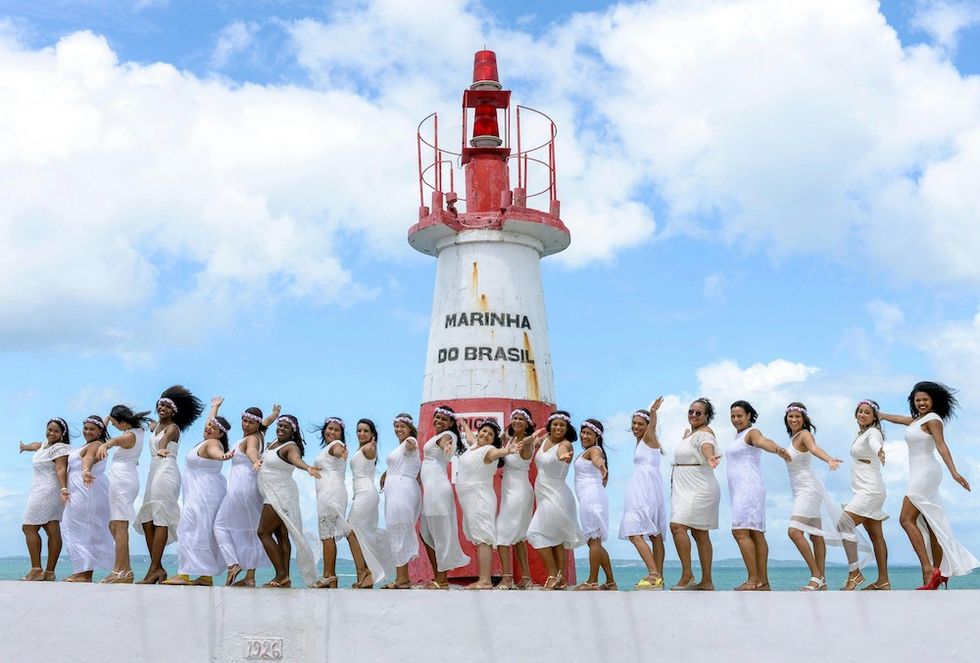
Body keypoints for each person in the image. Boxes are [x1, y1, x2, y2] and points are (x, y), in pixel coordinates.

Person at [879, 382, 979, 589]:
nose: (921, 403)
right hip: (920, 473)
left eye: (925, 399)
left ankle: (928, 568)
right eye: (918, 400)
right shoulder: (918, 421)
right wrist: (879, 414)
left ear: (933, 400)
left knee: (906, 519)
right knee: (931, 524)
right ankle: (938, 571)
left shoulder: (933, 420)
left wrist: (954, 472)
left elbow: (941, 446)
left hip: (926, 473)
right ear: (913, 402)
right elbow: (899, 419)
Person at [783, 402, 871, 591]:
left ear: (804, 419)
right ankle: (821, 580)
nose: (794, 419)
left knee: (794, 532)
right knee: (815, 535)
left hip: (808, 489)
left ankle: (816, 575)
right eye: (790, 416)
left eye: (797, 416)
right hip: (803, 489)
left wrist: (829, 459)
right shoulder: (794, 438)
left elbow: (814, 449)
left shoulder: (805, 434)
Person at [136, 385, 203, 584]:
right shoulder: (156, 426)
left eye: (167, 405)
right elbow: (152, 428)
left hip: (166, 470)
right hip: (154, 472)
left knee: (160, 518)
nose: (162, 407)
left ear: (174, 411)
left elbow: (164, 441)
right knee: (147, 520)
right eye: (160, 404)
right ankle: (157, 567)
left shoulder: (172, 428)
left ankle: (154, 569)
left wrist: (162, 449)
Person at [163, 401, 234, 586]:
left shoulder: (212, 443)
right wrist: (215, 407)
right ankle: (205, 576)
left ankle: (184, 574)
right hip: (204, 492)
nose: (209, 428)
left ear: (220, 434)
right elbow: (210, 423)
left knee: (190, 528)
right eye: (209, 425)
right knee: (202, 530)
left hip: (203, 494)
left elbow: (216, 452)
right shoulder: (208, 437)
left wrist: (223, 456)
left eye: (213, 427)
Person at [726, 400, 791, 591]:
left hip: (748, 488)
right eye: (733, 416)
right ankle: (763, 582)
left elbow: (764, 442)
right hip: (742, 489)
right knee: (755, 533)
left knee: (740, 531)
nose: (736, 419)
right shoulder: (738, 436)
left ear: (748, 416)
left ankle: (753, 579)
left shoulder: (752, 432)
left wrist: (777, 449)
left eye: (739, 415)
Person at [213, 402, 278, 587]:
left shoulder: (251, 440)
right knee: (251, 531)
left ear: (256, 425)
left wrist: (256, 461)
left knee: (219, 525)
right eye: (244, 420)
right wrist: (274, 415)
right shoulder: (260, 434)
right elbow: (265, 423)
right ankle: (250, 576)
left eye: (250, 422)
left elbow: (250, 451)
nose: (246, 424)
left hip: (241, 487)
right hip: (251, 487)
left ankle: (232, 564)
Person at [256, 414, 321, 588]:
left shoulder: (290, 447)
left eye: (286, 427)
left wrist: (308, 467)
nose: (281, 429)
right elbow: (260, 429)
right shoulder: (272, 443)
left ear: (293, 430)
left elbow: (296, 460)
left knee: (263, 532)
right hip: (273, 492)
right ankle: (284, 578)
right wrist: (272, 417)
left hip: (280, 494)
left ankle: (281, 574)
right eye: (280, 425)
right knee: (281, 534)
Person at [457, 418, 519, 589]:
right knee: (478, 537)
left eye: (490, 434)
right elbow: (470, 437)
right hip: (469, 499)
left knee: (483, 537)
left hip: (480, 497)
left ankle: (484, 580)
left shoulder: (489, 450)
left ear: (494, 440)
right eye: (483, 431)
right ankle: (483, 578)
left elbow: (496, 454)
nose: (485, 434)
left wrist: (507, 450)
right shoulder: (473, 446)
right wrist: (464, 423)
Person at [526, 410, 584, 590]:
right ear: (550, 426)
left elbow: (562, 453)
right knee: (556, 537)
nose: (558, 428)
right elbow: (527, 445)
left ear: (567, 429)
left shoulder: (565, 445)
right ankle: (561, 579)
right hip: (543, 494)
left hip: (556, 494)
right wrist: (533, 436)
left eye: (562, 425)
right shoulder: (544, 440)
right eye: (555, 424)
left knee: (534, 532)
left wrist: (563, 457)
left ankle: (552, 575)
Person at [670, 398, 721, 591]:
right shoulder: (689, 434)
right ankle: (706, 581)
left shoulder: (705, 433)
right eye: (691, 412)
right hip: (685, 487)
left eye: (698, 413)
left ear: (707, 416)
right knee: (699, 532)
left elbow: (707, 445)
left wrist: (709, 457)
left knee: (677, 526)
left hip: (699, 486)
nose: (693, 415)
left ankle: (688, 575)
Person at [95, 405, 149, 583]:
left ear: (122, 422)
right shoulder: (138, 430)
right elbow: (109, 433)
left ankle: (119, 571)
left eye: (115, 423)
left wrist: (106, 444)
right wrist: (108, 419)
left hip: (122, 481)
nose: (114, 427)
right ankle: (127, 570)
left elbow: (115, 441)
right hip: (125, 478)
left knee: (119, 525)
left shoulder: (129, 435)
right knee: (115, 526)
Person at [419, 405, 470, 588]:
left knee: (438, 533)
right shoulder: (435, 437)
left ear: (450, 423)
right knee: (425, 533)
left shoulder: (448, 436)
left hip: (437, 490)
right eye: (437, 417)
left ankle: (442, 580)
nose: (439, 421)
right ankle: (439, 576)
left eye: (443, 419)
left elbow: (446, 441)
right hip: (431, 490)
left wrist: (447, 445)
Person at [841, 399, 890, 590]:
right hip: (867, 489)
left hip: (870, 491)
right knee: (875, 534)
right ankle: (883, 581)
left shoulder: (873, 433)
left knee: (843, 523)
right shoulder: (861, 434)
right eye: (860, 411)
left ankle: (855, 573)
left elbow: (875, 442)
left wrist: (880, 450)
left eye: (867, 412)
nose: (862, 415)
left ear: (874, 417)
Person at [619, 399, 668, 590]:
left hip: (644, 490)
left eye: (640, 424)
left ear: (647, 426)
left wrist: (653, 411)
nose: (635, 427)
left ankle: (653, 573)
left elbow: (653, 426)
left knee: (634, 531)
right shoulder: (641, 443)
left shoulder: (649, 438)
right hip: (648, 487)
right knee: (655, 535)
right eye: (634, 424)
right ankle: (659, 577)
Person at [60, 415, 114, 582]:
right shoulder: (91, 442)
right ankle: (82, 571)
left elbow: (88, 458)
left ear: (99, 432)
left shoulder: (96, 445)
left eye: (92, 429)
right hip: (79, 491)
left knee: (81, 530)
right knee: (77, 529)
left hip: (86, 491)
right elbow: (99, 429)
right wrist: (106, 419)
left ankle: (84, 573)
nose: (87, 432)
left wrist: (85, 471)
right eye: (85, 428)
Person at [20, 418, 72, 581]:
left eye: (56, 431)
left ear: (62, 434)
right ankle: (49, 573)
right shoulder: (43, 446)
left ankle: (36, 569)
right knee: (51, 527)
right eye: (50, 429)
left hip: (48, 490)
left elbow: (61, 468)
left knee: (28, 527)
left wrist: (64, 489)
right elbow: (35, 445)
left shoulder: (60, 448)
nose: (52, 433)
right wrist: (24, 447)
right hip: (40, 489)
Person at [346, 419, 395, 588]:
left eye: (366, 431)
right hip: (363, 493)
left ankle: (364, 572)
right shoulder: (362, 449)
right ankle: (365, 574)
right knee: (362, 532)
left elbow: (371, 451)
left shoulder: (369, 447)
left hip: (366, 493)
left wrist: (372, 444)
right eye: (359, 430)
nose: (361, 434)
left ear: (372, 434)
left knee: (350, 529)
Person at [380, 413, 422, 589]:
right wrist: (385, 474)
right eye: (396, 426)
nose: (398, 429)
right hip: (396, 490)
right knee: (396, 530)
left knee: (400, 530)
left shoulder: (409, 442)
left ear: (410, 428)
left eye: (402, 426)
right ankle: (402, 577)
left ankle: (402, 579)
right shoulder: (399, 447)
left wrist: (412, 443)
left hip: (402, 490)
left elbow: (411, 447)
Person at [495, 408, 536, 590]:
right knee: (519, 536)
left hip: (519, 491)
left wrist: (530, 439)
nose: (517, 421)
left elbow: (529, 444)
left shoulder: (527, 443)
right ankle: (526, 578)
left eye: (521, 419)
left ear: (527, 423)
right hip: (510, 490)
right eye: (515, 418)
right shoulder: (509, 439)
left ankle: (506, 578)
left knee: (502, 532)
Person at [573, 419, 615, 590]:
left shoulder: (595, 450)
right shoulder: (591, 450)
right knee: (594, 542)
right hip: (592, 496)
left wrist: (602, 467)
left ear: (597, 436)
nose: (584, 436)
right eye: (583, 432)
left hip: (591, 498)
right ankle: (611, 582)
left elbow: (597, 460)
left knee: (594, 540)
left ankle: (592, 581)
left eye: (588, 433)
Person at [312, 416, 352, 589]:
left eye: (336, 430)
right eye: (330, 428)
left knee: (327, 535)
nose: (332, 432)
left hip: (330, 492)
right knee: (327, 535)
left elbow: (337, 450)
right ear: (324, 430)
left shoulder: (337, 446)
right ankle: (330, 577)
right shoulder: (327, 448)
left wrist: (341, 452)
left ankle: (329, 576)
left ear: (341, 434)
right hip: (331, 491)